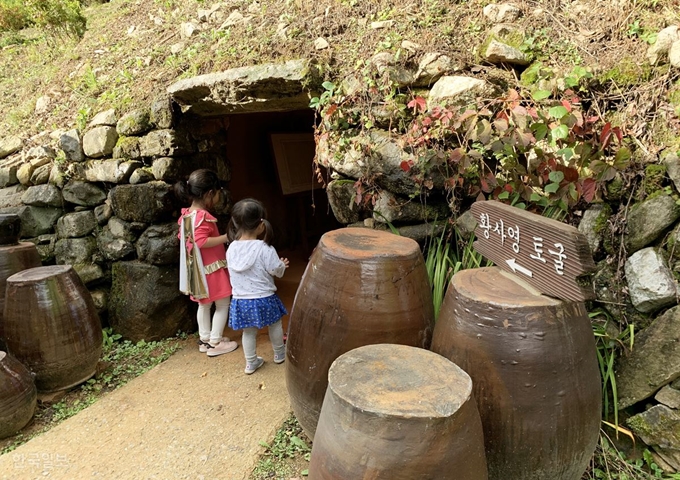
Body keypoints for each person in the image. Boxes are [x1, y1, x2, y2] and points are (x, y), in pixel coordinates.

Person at [174, 169, 238, 357]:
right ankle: (215, 342)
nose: (218, 196)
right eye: (218, 193)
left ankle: (205, 339)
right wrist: (226, 237)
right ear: (210, 193)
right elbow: (201, 242)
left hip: (198, 271)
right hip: (212, 269)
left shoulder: (186, 215)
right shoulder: (203, 217)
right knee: (222, 304)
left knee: (204, 305)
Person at [226, 198, 288, 375]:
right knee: (275, 325)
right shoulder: (265, 248)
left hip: (241, 300)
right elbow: (276, 270)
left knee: (249, 332)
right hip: (265, 298)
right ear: (261, 225)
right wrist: (282, 265)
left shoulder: (231, 249)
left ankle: (251, 362)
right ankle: (279, 354)